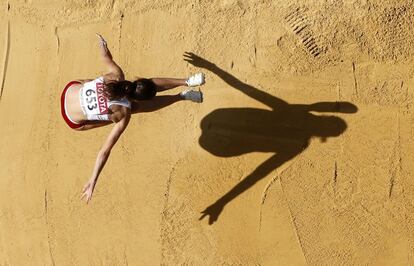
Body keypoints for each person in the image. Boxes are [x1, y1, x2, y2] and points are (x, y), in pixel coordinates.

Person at [61, 34, 205, 203]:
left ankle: (182, 94)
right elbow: (104, 151)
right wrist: (93, 179)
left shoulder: (116, 76)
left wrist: (103, 45)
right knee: (130, 109)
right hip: (71, 119)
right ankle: (185, 84)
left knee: (108, 96)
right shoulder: (124, 113)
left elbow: (105, 56)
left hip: (69, 89)